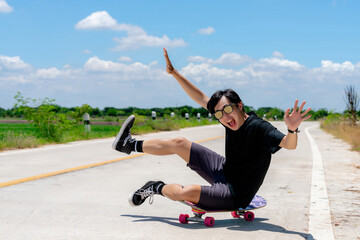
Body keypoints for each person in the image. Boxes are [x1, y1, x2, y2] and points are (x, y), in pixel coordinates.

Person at [112, 48, 311, 210]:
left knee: (186, 192)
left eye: (227, 110)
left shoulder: (259, 127)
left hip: (235, 193)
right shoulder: (225, 116)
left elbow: (288, 145)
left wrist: (292, 130)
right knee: (180, 143)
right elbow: (200, 98)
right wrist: (174, 73)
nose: (224, 117)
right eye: (219, 114)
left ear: (239, 106)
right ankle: (128, 145)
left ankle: (155, 187)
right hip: (223, 169)